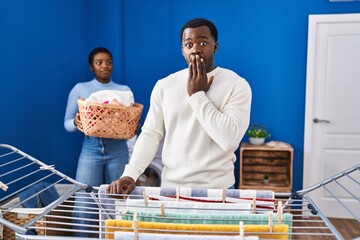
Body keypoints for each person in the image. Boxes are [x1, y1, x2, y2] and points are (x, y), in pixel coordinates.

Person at [108, 18, 252, 196]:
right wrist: (130, 174)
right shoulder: (165, 85)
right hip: (172, 190)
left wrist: (197, 95)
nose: (196, 49)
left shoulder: (237, 84)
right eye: (189, 44)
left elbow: (229, 139)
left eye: (203, 42)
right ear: (182, 50)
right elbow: (151, 134)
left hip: (219, 191)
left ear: (215, 46)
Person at [64, 47, 133, 237]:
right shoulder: (80, 89)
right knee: (84, 202)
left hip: (118, 149)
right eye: (99, 62)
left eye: (108, 62)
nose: (105, 66)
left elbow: (130, 123)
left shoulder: (124, 91)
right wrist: (76, 123)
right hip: (90, 150)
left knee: (118, 202)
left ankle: (118, 236)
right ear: (91, 67)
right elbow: (67, 124)